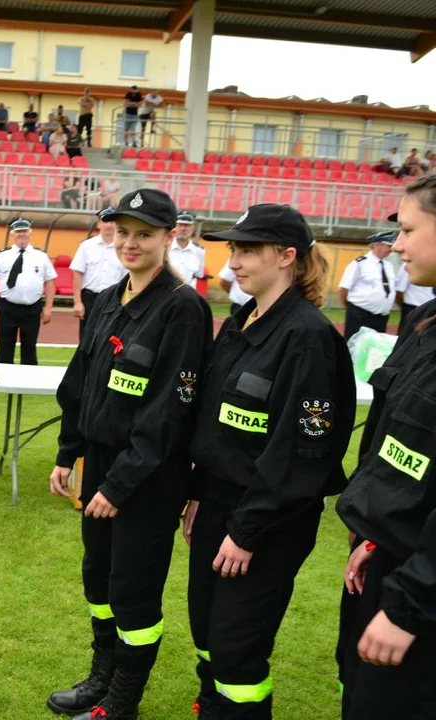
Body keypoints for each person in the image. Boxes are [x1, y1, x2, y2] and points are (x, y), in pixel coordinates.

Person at [185, 204, 356, 720]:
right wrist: (197, 493)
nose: (233, 261)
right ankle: (212, 707)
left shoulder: (308, 338)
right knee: (207, 630)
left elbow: (303, 455)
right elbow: (216, 427)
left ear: (286, 257)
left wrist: (249, 530)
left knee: (237, 646)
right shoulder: (241, 322)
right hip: (216, 502)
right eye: (232, 248)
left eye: (247, 249)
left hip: (268, 519)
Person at [47, 188, 212, 720]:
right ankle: (103, 675)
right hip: (98, 461)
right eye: (124, 232)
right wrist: (68, 451)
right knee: (99, 578)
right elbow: (80, 381)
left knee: (133, 589)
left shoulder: (183, 309)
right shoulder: (108, 298)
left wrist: (120, 485)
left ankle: (122, 703)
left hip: (147, 477)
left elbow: (168, 412)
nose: (132, 242)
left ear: (170, 238)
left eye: (145, 233)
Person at [336, 175, 436, 719]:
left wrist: (408, 607)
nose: (396, 244)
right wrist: (374, 539)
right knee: (357, 689)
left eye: (407, 230)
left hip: (420, 592)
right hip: (386, 558)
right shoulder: (423, 322)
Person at [0, 217, 57, 366]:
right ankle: (4, 381)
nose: (21, 234)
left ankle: (27, 382)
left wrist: (48, 307)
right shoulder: (2, 255)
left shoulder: (41, 256)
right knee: (5, 345)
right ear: (12, 234)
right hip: (7, 307)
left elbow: (50, 282)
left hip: (32, 308)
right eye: (18, 231)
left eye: (24, 231)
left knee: (29, 347)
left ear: (30, 232)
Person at [72, 208, 125, 339]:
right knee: (86, 337)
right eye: (105, 221)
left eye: (112, 221)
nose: (108, 225)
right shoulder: (86, 246)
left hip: (114, 298)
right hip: (90, 298)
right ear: (98, 224)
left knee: (110, 336)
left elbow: (127, 277)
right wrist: (77, 302)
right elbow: (78, 274)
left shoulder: (124, 247)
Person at [339, 231, 396, 341]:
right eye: (388, 246)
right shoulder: (359, 263)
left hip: (381, 318)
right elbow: (343, 288)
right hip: (360, 316)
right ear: (377, 245)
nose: (391, 249)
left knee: (375, 351)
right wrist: (351, 308)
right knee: (354, 347)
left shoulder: (388, 265)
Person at [393, 227, 434, 322]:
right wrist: (405, 307)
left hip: (431, 309)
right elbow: (399, 291)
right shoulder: (408, 264)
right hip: (413, 308)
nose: (395, 247)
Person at [168, 212, 204, 289]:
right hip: (167, 293)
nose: (183, 229)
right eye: (180, 225)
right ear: (174, 228)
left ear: (193, 229)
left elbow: (199, 274)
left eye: (187, 226)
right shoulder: (165, 247)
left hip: (188, 295)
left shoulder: (199, 251)